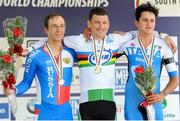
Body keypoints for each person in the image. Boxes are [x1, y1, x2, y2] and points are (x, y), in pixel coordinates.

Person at [30, 7, 177, 120]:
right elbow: (52, 39)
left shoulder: (116, 40)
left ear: (109, 24)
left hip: (109, 103)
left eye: (105, 23)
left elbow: (140, 31)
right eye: (97, 23)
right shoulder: (78, 40)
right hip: (86, 104)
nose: (101, 26)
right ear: (89, 23)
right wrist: (30, 48)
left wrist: (163, 35)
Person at [4, 12, 76, 120]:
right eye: (54, 26)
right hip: (43, 110)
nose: (59, 30)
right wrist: (14, 90)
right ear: (46, 30)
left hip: (66, 111)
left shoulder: (71, 52)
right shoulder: (35, 55)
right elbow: (26, 83)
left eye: (62, 26)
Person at [119, 2, 178, 120]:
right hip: (132, 103)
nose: (149, 24)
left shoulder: (165, 46)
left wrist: (162, 94)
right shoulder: (125, 44)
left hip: (154, 101)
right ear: (136, 23)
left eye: (152, 20)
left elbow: (175, 79)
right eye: (145, 20)